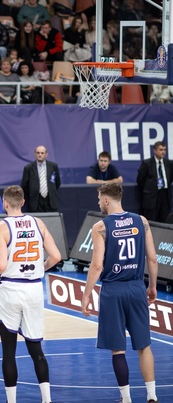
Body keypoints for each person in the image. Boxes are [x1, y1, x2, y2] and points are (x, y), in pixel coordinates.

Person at [81, 183, 159, 403]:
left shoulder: (100, 227)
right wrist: (152, 286)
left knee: (118, 350)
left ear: (106, 200)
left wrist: (86, 294)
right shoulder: (141, 221)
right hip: (136, 287)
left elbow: (97, 265)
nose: (98, 202)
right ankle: (152, 395)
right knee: (144, 346)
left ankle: (126, 398)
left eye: (99, 198)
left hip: (113, 290)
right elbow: (153, 259)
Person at [0, 185, 61, 403]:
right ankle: (47, 399)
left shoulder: (0, 227)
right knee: (36, 349)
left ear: (5, 203)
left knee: (9, 351)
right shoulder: (38, 223)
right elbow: (56, 256)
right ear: (23, 202)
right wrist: (40, 268)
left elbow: (1, 264)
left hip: (11, 288)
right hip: (34, 289)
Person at [137, 141, 172, 223]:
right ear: (155, 150)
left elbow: (170, 178)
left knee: (165, 221)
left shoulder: (169, 163)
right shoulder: (147, 163)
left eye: (164, 150)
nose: (163, 152)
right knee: (151, 221)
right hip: (152, 197)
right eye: (161, 150)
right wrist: (149, 190)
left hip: (165, 195)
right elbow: (140, 180)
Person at [20, 145, 61, 212]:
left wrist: (51, 191)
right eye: (38, 153)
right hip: (35, 201)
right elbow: (24, 185)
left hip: (50, 201)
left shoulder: (53, 166)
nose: (40, 155)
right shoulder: (28, 168)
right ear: (35, 154)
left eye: (42, 153)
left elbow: (57, 182)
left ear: (46, 154)